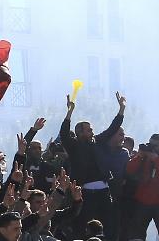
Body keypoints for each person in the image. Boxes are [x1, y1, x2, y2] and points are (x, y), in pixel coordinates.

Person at [59, 92, 127, 237]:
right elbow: (64, 134)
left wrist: (121, 109)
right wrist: (69, 113)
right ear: (80, 132)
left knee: (110, 223)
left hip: (104, 191)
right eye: (88, 130)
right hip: (86, 192)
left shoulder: (98, 141)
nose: (92, 131)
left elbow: (112, 129)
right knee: (84, 224)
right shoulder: (74, 146)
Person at [125, 133, 159, 241]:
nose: (152, 148)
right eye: (150, 144)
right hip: (143, 200)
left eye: (155, 146)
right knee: (137, 233)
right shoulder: (145, 155)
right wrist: (140, 156)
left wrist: (156, 159)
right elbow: (129, 169)